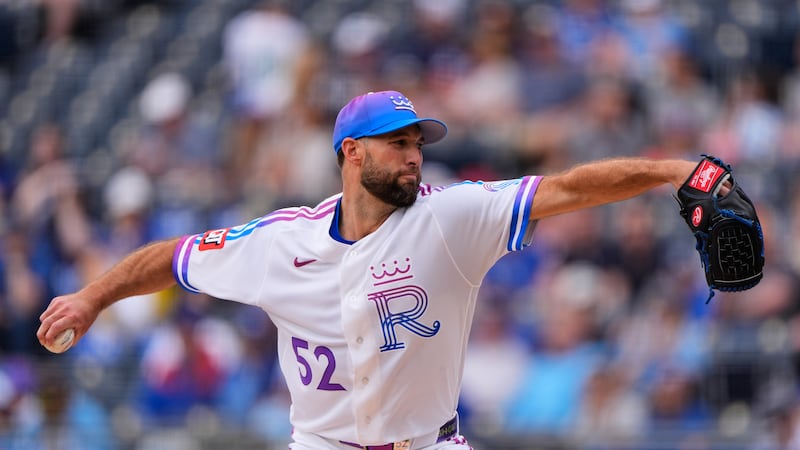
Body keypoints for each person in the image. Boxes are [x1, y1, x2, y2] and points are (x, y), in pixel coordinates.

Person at [38, 90, 699, 449]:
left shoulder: (452, 217)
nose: (414, 156)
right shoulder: (280, 242)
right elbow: (174, 257)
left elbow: (569, 188)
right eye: (397, 143)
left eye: (417, 143)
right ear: (352, 153)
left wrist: (673, 171)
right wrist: (94, 297)